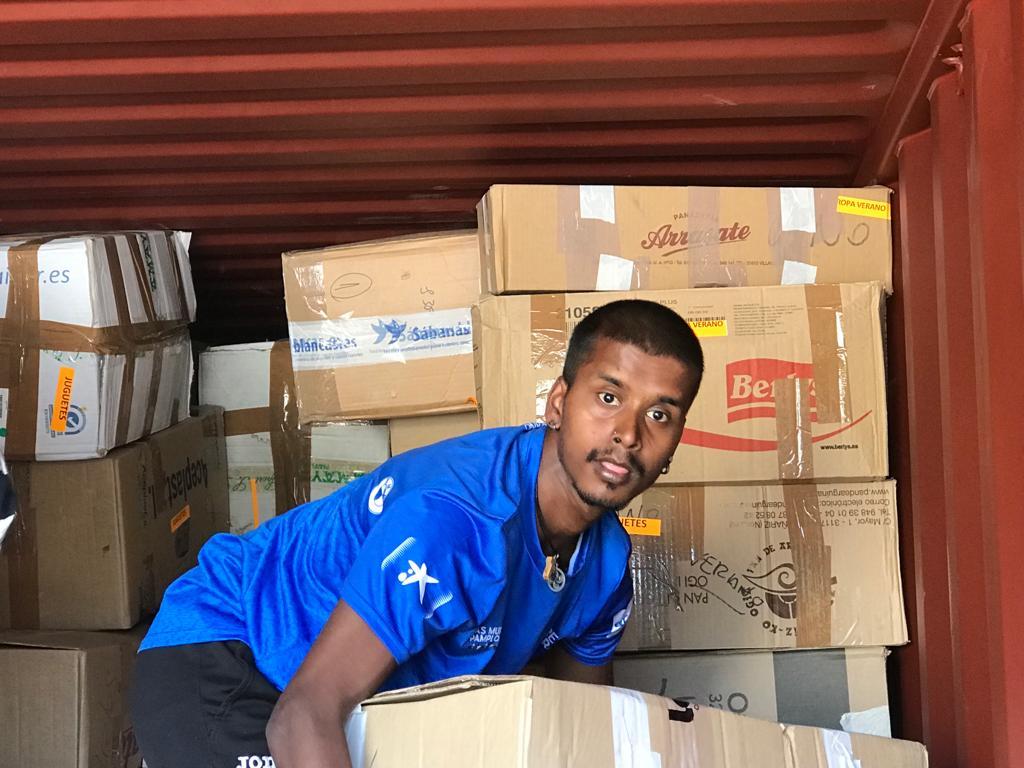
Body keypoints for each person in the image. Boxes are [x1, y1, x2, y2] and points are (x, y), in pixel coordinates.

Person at [131, 299, 704, 768]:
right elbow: (303, 715)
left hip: (350, 703)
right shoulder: (458, 522)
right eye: (608, 398)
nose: (629, 433)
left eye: (660, 415)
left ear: (676, 442)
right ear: (558, 403)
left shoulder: (605, 569)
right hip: (232, 659)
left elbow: (582, 729)